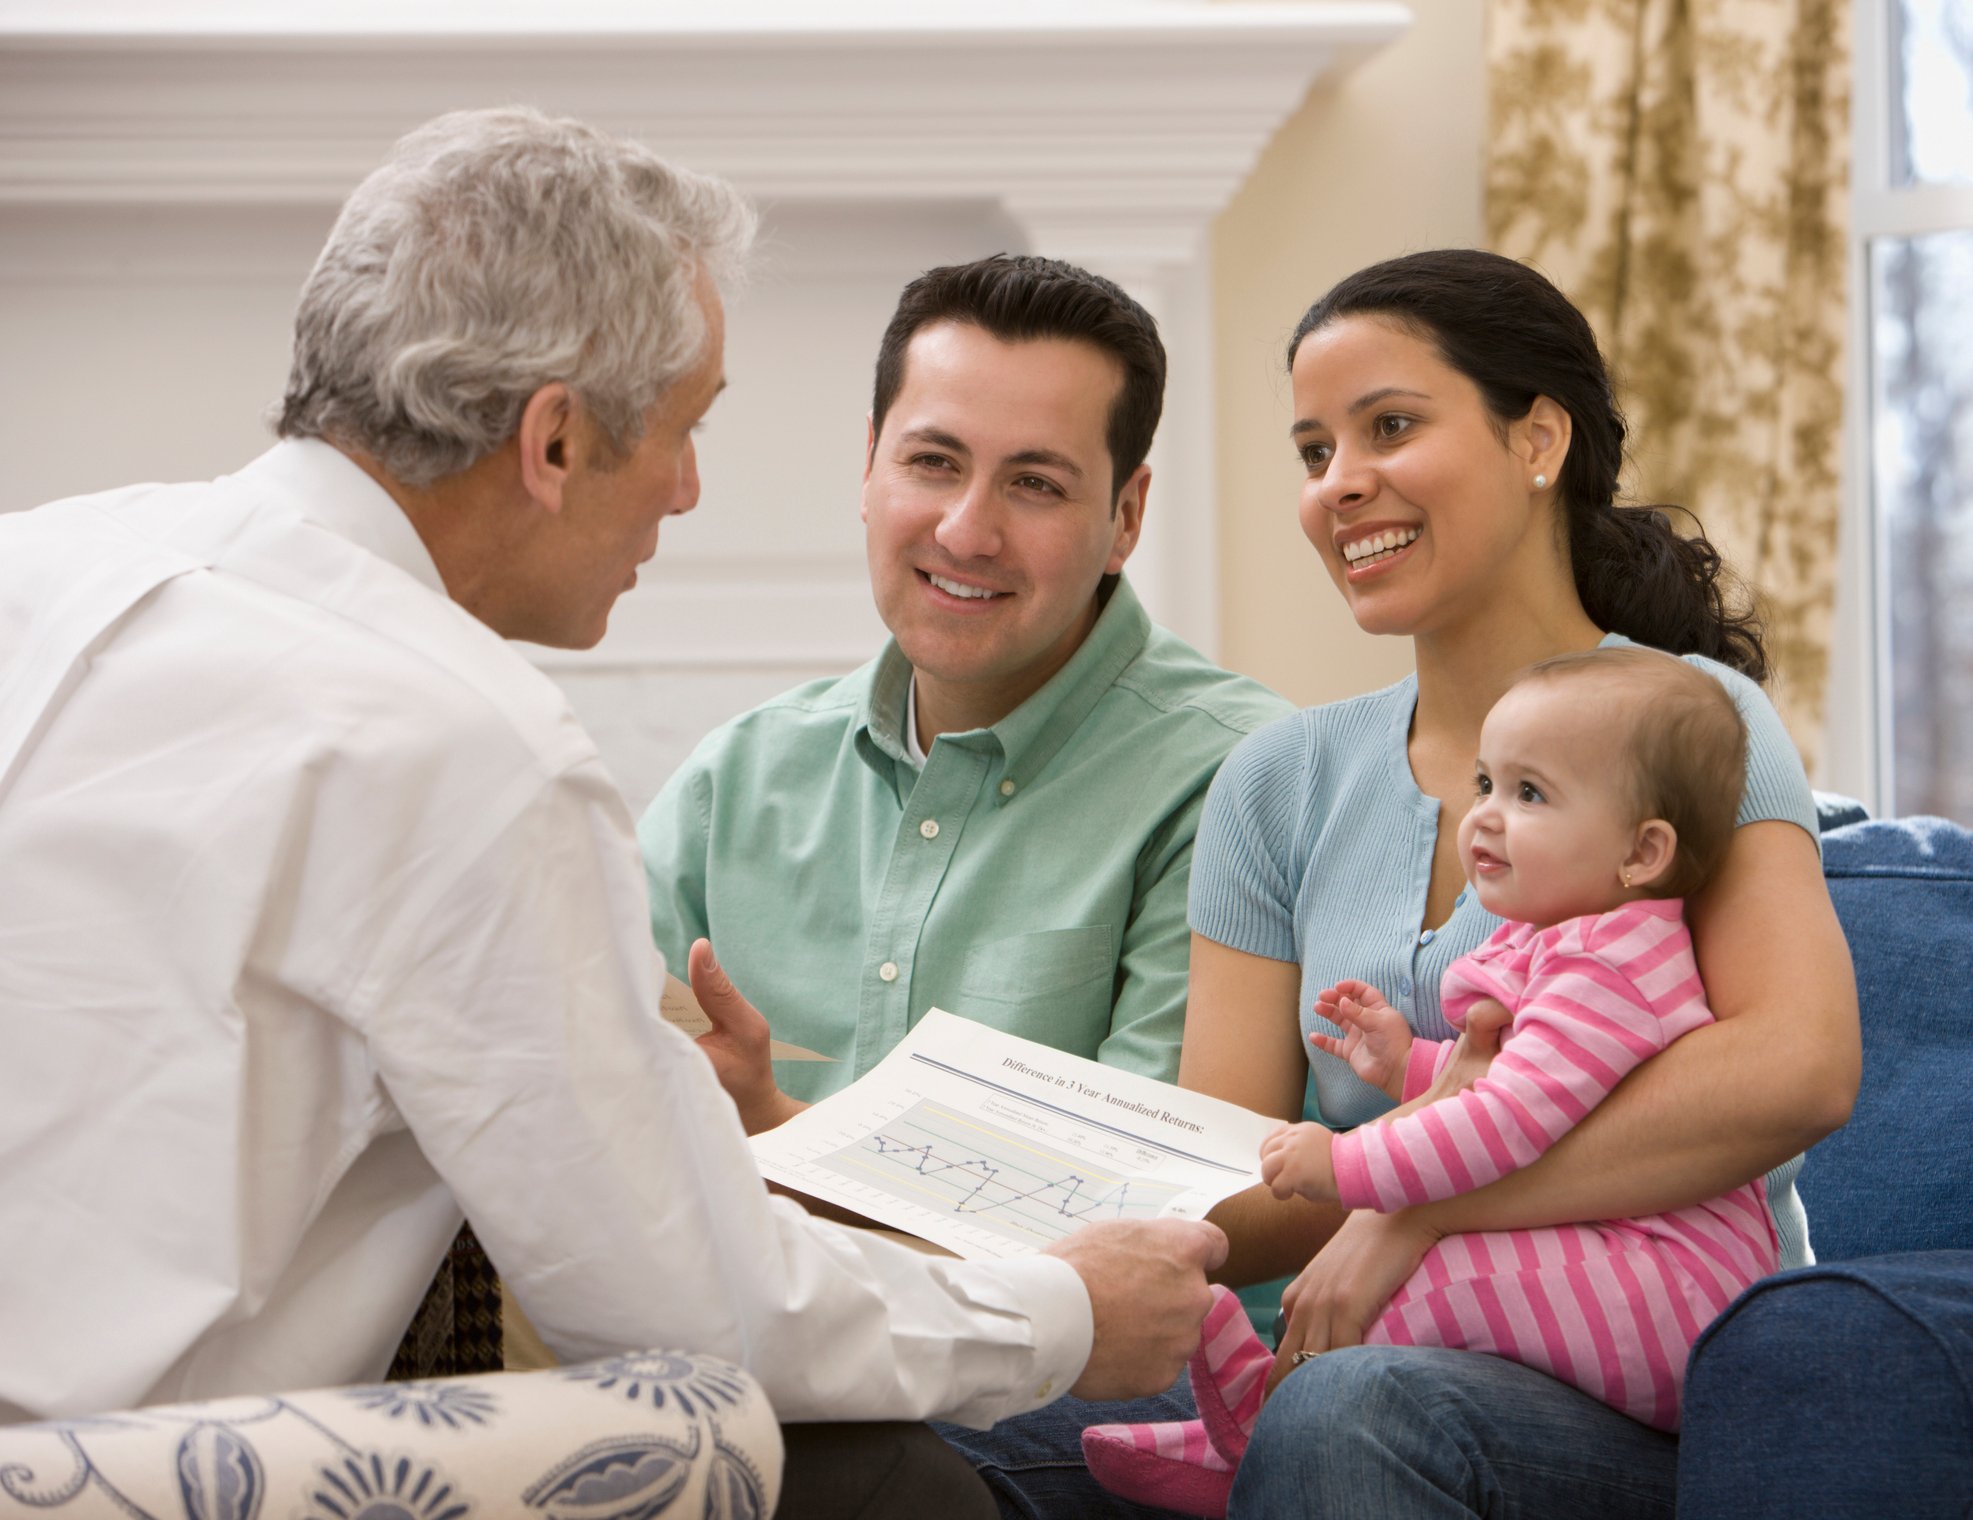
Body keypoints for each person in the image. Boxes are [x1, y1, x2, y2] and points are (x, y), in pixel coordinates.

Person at [0, 107, 1230, 1516]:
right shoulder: (469, 747)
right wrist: (1059, 1314)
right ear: (555, 442)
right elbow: (688, 1316)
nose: (691, 491)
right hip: (125, 1484)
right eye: (687, 428)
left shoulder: (35, 561)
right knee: (878, 1486)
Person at [939, 249, 1858, 1520]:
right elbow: (1235, 1173)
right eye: (1314, 450)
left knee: (1344, 1407)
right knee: (946, 1404)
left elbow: (1794, 1069)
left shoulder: (1697, 722)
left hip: (1648, 1364)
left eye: (1389, 427)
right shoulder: (1277, 781)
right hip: (1363, 1354)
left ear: (1536, 439)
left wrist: (1409, 1208)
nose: (1339, 485)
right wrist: (986, 1218)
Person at [1084, 647, 1777, 1516]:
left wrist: (1345, 1164)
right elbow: (1532, 1081)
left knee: (1439, 1277)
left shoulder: (1611, 962)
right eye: (1486, 783)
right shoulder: (1559, 940)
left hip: (1667, 1291)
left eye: (1530, 795)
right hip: (1620, 1265)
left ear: (1642, 851)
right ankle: (1261, 1418)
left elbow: (1510, 1119)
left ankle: (1264, 1412)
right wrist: (1404, 1058)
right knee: (1429, 1265)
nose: (1484, 816)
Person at [636, 254, 1289, 1134]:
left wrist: (773, 1129)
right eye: (933, 462)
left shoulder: (1241, 780)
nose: (965, 531)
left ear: (1124, 519)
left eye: (1035, 484)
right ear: (869, 466)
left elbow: (1143, 1196)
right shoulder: (736, 779)